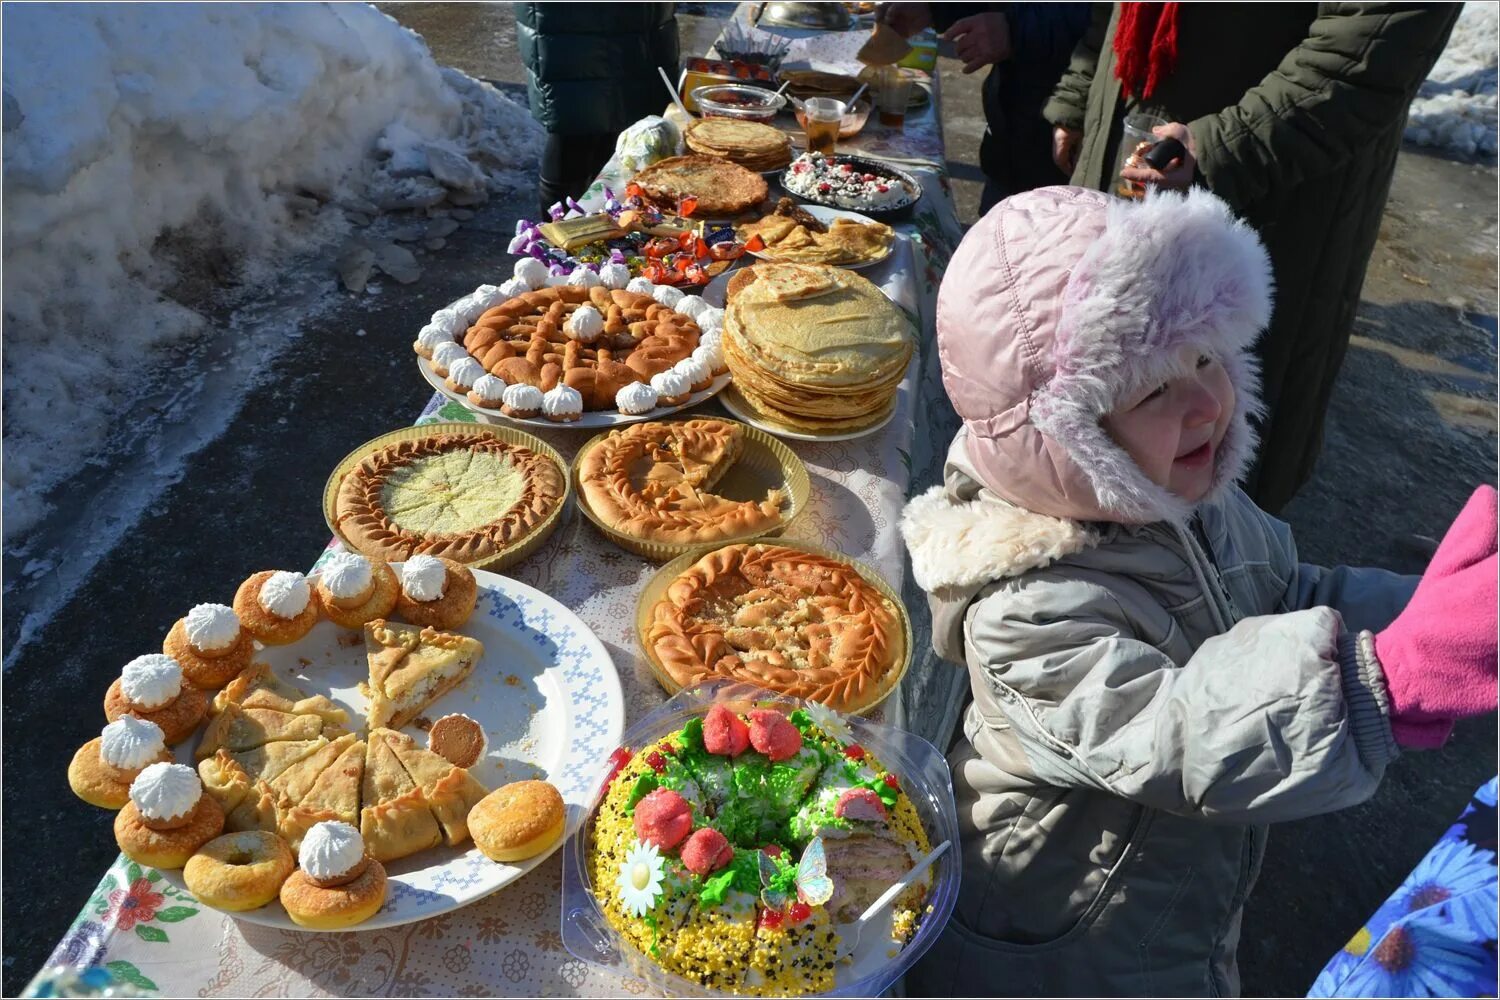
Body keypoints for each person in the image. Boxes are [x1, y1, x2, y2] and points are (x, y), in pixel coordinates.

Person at [898, 185, 1497, 996]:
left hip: (1168, 896)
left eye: (1209, 358)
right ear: (1064, 437)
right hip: (1064, 945)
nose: (1209, 402)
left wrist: (1431, 609)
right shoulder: (1022, 605)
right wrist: (1383, 675)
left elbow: (1290, 593)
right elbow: (1178, 735)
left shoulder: (1187, 498)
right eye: (1153, 390)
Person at [1040, 4, 1459, 514]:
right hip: (1136, 155)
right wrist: (1081, 95)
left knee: (1210, 468)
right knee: (1099, 419)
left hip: (1261, 200)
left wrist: (1219, 147)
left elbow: (1372, 43)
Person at [877, 3, 1091, 211]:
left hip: (1072, 129)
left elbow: (1105, 18)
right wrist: (936, 7)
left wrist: (1016, 29)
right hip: (1012, 124)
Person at [513, 3, 678, 215]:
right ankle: (555, 236)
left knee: (628, 133)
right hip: (571, 27)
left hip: (637, 24)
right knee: (576, 123)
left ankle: (607, 225)